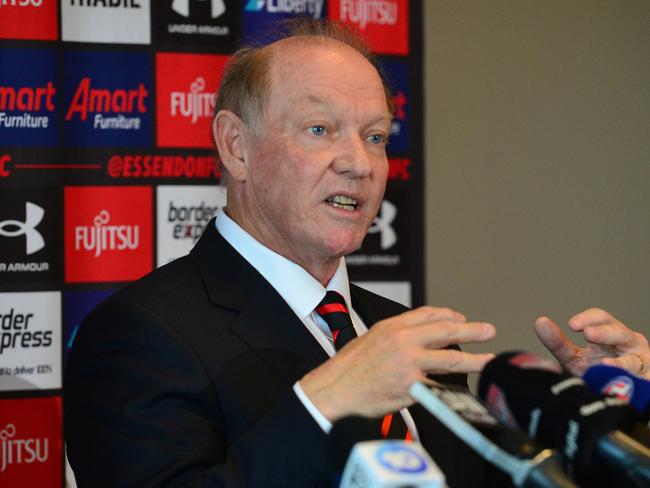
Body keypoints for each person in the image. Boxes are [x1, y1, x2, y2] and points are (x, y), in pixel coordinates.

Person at [64, 19, 650, 487]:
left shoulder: (407, 333)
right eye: (319, 129)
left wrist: (592, 423)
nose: (360, 163)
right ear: (235, 147)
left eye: (375, 137)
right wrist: (325, 403)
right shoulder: (138, 335)